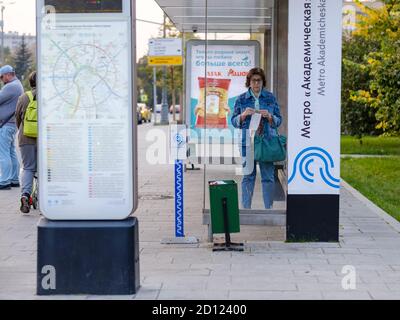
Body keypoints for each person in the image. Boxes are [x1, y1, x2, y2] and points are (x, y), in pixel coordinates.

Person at [231, 67, 282, 209]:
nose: (256, 84)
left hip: (266, 143)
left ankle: (269, 209)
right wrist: (243, 115)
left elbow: (279, 120)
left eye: (259, 80)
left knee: (268, 177)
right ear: (249, 82)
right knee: (248, 177)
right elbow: (234, 122)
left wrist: (270, 117)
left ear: (263, 82)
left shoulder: (270, 97)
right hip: (247, 143)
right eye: (253, 80)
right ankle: (246, 209)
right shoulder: (241, 99)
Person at [15, 71, 37, 213]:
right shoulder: (48, 97)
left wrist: (23, 130)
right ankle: (42, 196)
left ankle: (25, 194)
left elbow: (18, 117)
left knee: (28, 168)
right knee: (45, 169)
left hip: (26, 138)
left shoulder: (24, 97)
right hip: (46, 138)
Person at [0, 65, 24, 190]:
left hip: (5, 125)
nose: (1, 79)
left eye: (2, 77)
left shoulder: (10, 87)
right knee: (11, 152)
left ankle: (4, 181)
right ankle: (14, 179)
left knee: (3, 154)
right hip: (12, 124)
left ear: (8, 74)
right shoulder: (18, 85)